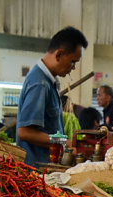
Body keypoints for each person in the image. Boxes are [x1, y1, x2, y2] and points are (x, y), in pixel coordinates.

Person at [16, 27, 87, 167]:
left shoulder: (49, 81)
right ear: (59, 54)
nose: (73, 68)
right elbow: (24, 132)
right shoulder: (40, 83)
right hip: (36, 172)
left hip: (45, 169)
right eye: (73, 62)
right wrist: (64, 142)